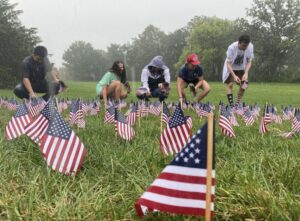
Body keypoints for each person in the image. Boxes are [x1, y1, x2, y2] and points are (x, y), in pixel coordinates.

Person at [222, 35, 254, 106]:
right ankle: (231, 105)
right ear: (239, 43)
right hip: (231, 67)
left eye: (246, 46)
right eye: (243, 45)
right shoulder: (232, 47)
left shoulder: (250, 47)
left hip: (241, 67)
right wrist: (234, 76)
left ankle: (237, 104)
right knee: (230, 84)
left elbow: (249, 61)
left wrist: (246, 73)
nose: (245, 47)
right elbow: (228, 63)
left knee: (244, 85)